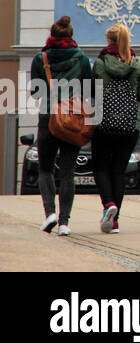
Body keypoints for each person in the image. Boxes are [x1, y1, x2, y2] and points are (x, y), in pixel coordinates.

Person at [29, 16, 93, 236]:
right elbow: (90, 90)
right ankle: (65, 222)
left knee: (45, 168)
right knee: (67, 172)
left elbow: (35, 91)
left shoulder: (41, 58)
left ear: (52, 36)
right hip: (72, 120)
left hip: (48, 119)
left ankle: (50, 214)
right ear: (70, 36)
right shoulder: (82, 59)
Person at [91, 22, 140, 234]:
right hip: (129, 125)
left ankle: (108, 205)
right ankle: (114, 222)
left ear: (109, 41)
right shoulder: (137, 64)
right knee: (118, 171)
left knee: (100, 168)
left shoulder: (99, 64)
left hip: (103, 124)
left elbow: (92, 94)